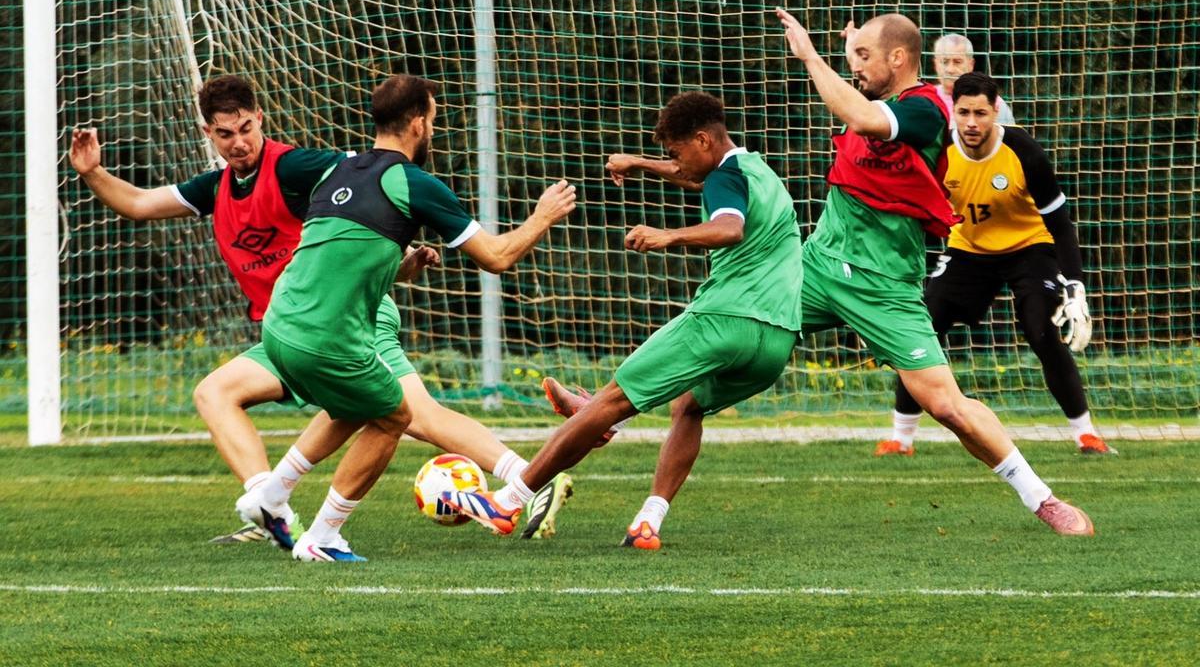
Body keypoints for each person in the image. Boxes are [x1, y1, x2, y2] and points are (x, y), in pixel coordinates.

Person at [68, 75, 574, 546]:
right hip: (291, 326)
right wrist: (93, 173)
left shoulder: (300, 167)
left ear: (260, 118)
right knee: (218, 392)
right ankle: (274, 509)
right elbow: (137, 204)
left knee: (406, 414)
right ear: (209, 133)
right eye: (225, 134)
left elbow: (364, 208)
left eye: (245, 128)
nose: (238, 142)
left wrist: (396, 262)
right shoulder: (217, 187)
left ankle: (523, 480)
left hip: (346, 317)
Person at [765, 8, 1092, 536]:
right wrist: (854, 53)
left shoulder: (922, 113)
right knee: (733, 319)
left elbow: (862, 113)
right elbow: (861, 98)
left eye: (867, 57)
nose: (857, 69)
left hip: (897, 280)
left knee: (950, 401)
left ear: (899, 59)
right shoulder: (879, 97)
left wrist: (810, 55)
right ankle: (625, 414)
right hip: (822, 263)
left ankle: (1046, 494)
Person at [442, 91, 805, 549]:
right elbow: (695, 175)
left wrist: (668, 236)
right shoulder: (755, 170)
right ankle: (648, 521)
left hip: (724, 321)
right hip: (775, 342)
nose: (674, 162)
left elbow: (730, 227)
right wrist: (642, 163)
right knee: (687, 406)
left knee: (611, 400)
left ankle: (510, 499)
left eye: (675, 152)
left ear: (702, 140)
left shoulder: (723, 182)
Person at [245, 73, 576, 561]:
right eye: (435, 120)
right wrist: (543, 216)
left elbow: (342, 254)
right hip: (325, 339)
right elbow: (497, 257)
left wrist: (403, 267)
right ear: (419, 123)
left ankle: (271, 497)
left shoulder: (336, 170)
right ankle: (322, 537)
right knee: (395, 415)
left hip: (277, 328)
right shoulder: (413, 183)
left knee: (356, 404)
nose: (434, 130)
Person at [875, 71, 1110, 456]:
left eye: (980, 113)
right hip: (968, 248)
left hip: (1029, 247)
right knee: (924, 323)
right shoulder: (940, 150)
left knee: (1041, 327)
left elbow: (1061, 226)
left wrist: (1075, 284)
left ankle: (1086, 434)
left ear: (996, 112)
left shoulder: (1024, 151)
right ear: (953, 112)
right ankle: (901, 439)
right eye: (964, 112)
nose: (971, 122)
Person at [932, 33, 1015, 126]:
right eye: (944, 62)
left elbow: (1009, 139)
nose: (950, 69)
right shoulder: (925, 100)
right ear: (935, 64)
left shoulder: (993, 103)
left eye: (957, 62)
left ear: (971, 64)